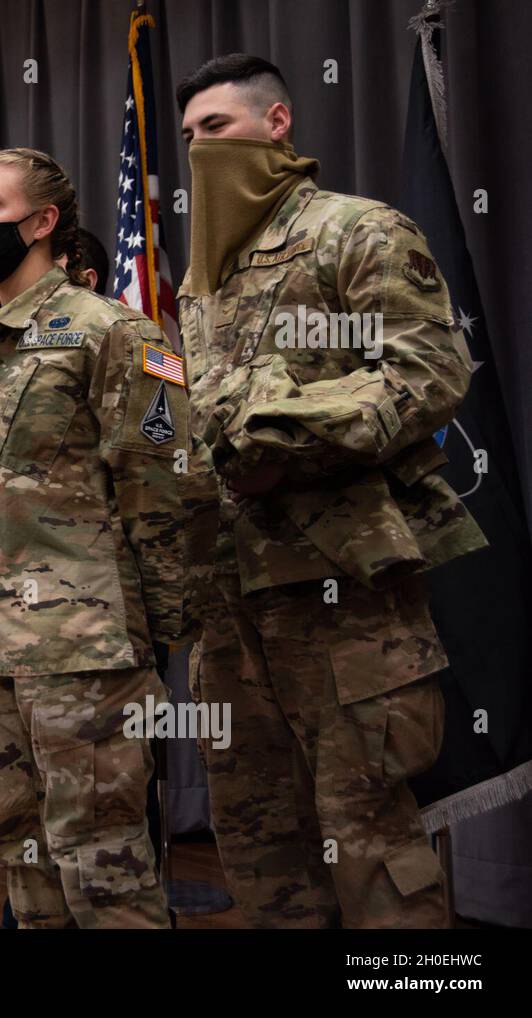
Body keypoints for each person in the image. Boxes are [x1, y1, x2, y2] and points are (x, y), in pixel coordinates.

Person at [174, 54, 486, 928]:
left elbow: (429, 372)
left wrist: (277, 434)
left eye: (218, 129)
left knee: (374, 848)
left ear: (278, 125)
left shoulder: (357, 231)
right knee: (262, 849)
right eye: (190, 137)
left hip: (343, 596)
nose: (200, 150)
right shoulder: (207, 281)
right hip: (231, 605)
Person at [0, 147, 218, 929]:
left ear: (43, 221)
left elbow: (167, 492)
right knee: (16, 851)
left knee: (104, 865)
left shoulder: (114, 333)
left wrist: (149, 635)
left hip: (85, 650)